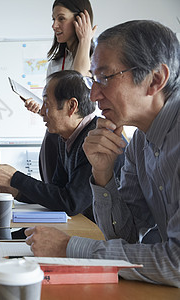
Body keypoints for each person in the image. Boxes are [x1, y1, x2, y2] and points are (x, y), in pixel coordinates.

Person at [25, 20, 180, 287]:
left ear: (155, 80)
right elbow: (126, 237)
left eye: (104, 78)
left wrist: (72, 248)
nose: (94, 95)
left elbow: (176, 263)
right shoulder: (137, 144)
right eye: (93, 79)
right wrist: (102, 174)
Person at [0, 70, 124, 221]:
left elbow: (71, 203)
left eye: (47, 104)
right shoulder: (66, 137)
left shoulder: (97, 139)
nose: (41, 112)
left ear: (71, 106)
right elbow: (57, 192)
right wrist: (17, 191)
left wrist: (15, 178)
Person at [25, 0, 97, 185]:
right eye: (53, 19)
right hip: (54, 139)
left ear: (81, 20)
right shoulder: (56, 63)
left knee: (71, 201)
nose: (54, 25)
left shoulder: (96, 58)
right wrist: (41, 106)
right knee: (52, 194)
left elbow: (80, 84)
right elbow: (56, 104)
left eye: (61, 18)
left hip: (82, 140)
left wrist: (85, 40)